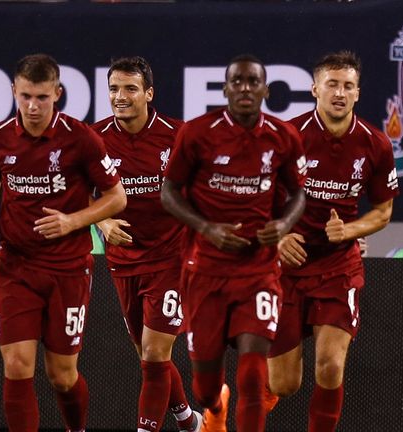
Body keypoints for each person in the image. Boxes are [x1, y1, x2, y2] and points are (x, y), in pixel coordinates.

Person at [0, 54, 127, 432]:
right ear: (13, 93)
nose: (33, 106)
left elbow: (117, 197)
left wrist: (73, 220)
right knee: (17, 365)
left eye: (41, 97)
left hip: (68, 268)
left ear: (58, 93)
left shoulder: (82, 139)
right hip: (15, 266)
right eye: (25, 97)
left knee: (62, 376)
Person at [160, 54, 307, 432]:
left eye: (252, 82)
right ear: (225, 89)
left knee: (254, 375)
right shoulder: (196, 133)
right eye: (237, 82)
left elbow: (298, 194)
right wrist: (206, 228)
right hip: (205, 270)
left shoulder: (283, 137)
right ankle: (214, 407)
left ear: (265, 90)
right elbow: (169, 193)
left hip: (258, 271)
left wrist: (284, 223)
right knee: (205, 386)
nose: (245, 88)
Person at [267, 50, 399, 432]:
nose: (339, 93)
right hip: (287, 268)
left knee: (330, 364)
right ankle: (257, 392)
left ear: (358, 93)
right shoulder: (287, 136)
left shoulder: (375, 143)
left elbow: (384, 212)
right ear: (314, 89)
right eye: (332, 84)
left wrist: (350, 232)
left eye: (348, 86)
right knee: (284, 383)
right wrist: (278, 235)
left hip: (338, 267)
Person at [91, 57, 202, 432]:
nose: (120, 97)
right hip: (123, 260)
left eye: (130, 89)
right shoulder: (95, 139)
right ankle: (189, 421)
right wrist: (103, 220)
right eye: (113, 89)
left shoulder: (178, 135)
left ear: (149, 93)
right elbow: (78, 196)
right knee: (147, 355)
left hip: (172, 257)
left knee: (155, 353)